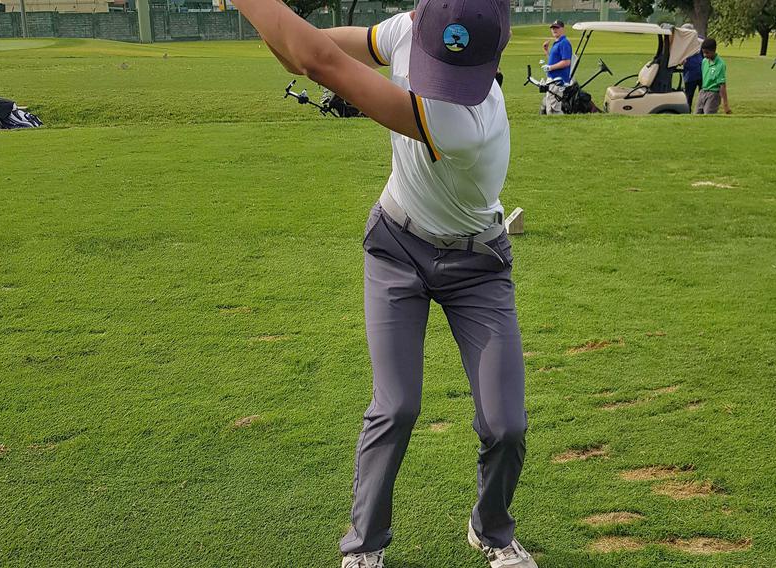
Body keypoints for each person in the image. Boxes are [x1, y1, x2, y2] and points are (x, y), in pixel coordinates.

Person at [229, 1, 534, 567]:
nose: (443, 86)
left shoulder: (462, 124)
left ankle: (491, 530)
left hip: (478, 267)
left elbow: (316, 59)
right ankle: (364, 549)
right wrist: (280, 39)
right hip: (396, 247)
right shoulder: (411, 29)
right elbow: (306, 51)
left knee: (506, 424)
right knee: (395, 406)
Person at [540, 20, 573, 115]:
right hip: (552, 79)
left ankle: (559, 125)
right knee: (549, 105)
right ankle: (552, 126)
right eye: (553, 28)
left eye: (557, 28)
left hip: (558, 80)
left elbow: (566, 62)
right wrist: (546, 51)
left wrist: (550, 68)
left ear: (562, 29)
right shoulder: (557, 43)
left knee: (555, 107)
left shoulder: (564, 43)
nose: (554, 30)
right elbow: (554, 60)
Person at [696, 37, 732, 115]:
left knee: (708, 115)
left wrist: (725, 104)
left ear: (714, 50)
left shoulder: (720, 64)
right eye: (703, 53)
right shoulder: (704, 61)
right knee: (696, 115)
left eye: (707, 53)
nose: (705, 55)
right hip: (703, 91)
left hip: (713, 94)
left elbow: (722, 85)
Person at [681, 24, 703, 111]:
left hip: (699, 72)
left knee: (702, 94)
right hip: (691, 73)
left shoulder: (700, 40)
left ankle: (701, 112)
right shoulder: (683, 42)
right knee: (689, 96)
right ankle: (688, 111)